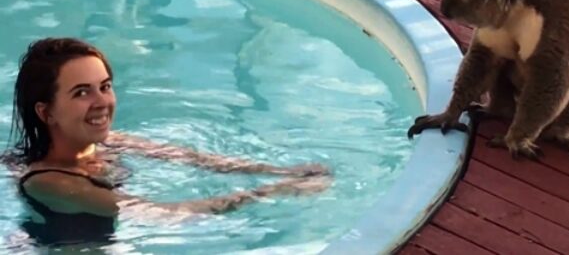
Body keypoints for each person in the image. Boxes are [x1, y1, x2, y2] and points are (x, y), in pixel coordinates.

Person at [1, 37, 331, 246]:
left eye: (105, 86)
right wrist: (272, 192)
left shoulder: (106, 143)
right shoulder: (50, 182)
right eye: (81, 92)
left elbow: (194, 158)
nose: (102, 102)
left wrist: (279, 171)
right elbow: (170, 215)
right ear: (46, 112)